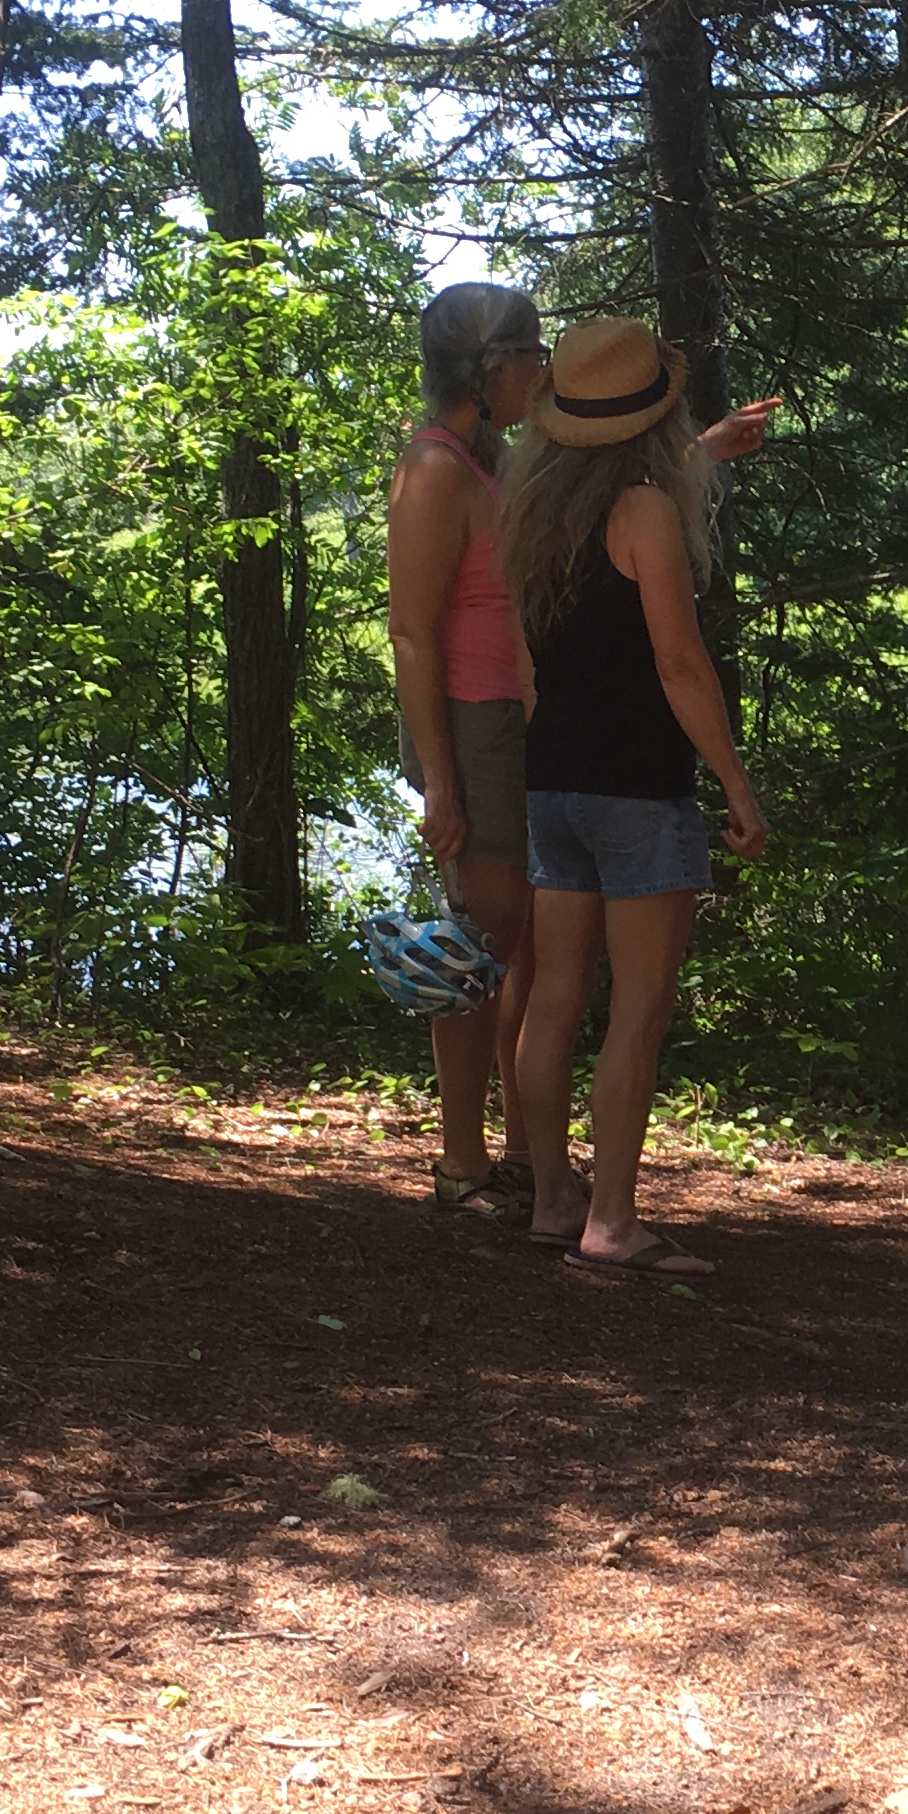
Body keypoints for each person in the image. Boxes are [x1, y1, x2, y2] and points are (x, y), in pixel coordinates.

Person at [500, 316, 773, 1276]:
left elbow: (550, 651)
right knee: (639, 1010)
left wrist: (706, 452)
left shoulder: (533, 508)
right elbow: (678, 662)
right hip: (638, 791)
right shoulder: (647, 513)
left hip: (555, 782)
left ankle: (551, 1200)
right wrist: (736, 786)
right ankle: (613, 1224)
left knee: (556, 997)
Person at [385, 279, 552, 1212]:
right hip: (473, 727)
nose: (542, 368)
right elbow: (411, 632)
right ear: (485, 370)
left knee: (522, 946)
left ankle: (524, 1154)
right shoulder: (436, 469)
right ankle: (460, 1164)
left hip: (514, 728)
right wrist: (440, 783)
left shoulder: (490, 458)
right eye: (528, 352)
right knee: (477, 950)